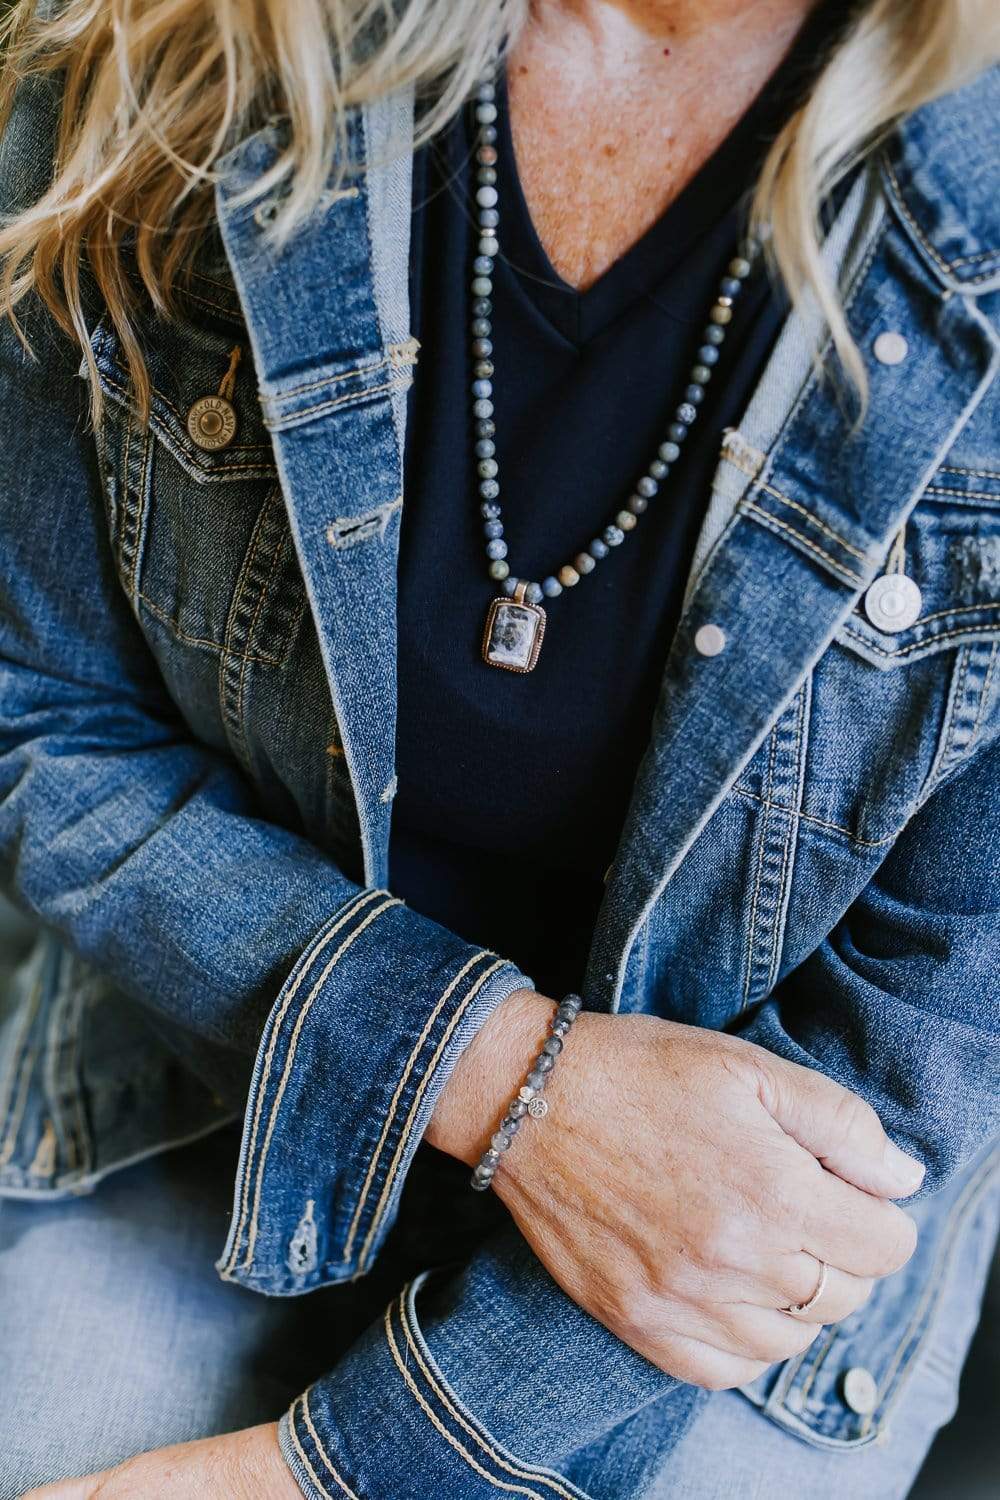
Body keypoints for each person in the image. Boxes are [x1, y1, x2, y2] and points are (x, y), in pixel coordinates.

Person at [0, 0, 997, 1496]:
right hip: (202, 1072)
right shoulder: (167, 47)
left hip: (760, 1235)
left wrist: (323, 1474)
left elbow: (925, 1041)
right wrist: (493, 1075)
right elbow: (39, 710)